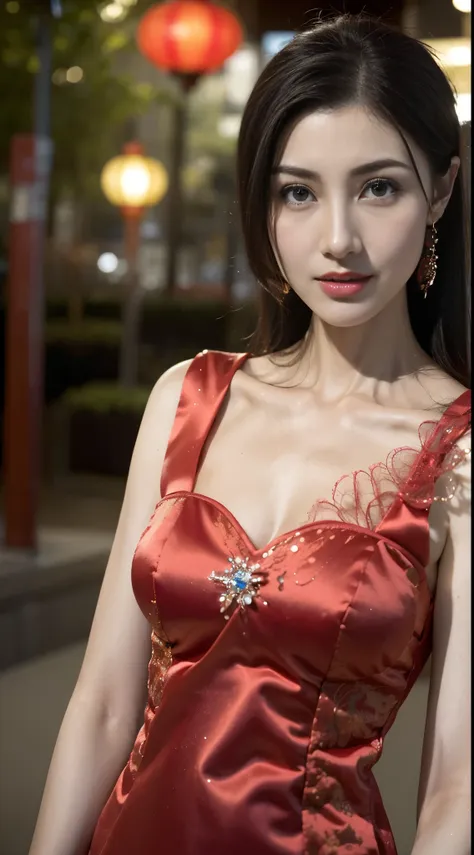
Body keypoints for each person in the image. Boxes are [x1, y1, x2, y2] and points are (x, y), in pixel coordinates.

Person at [29, 13, 471, 855]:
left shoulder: (461, 452)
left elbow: (458, 780)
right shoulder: (187, 398)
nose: (338, 237)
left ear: (441, 191)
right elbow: (104, 705)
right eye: (297, 191)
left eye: (379, 187)